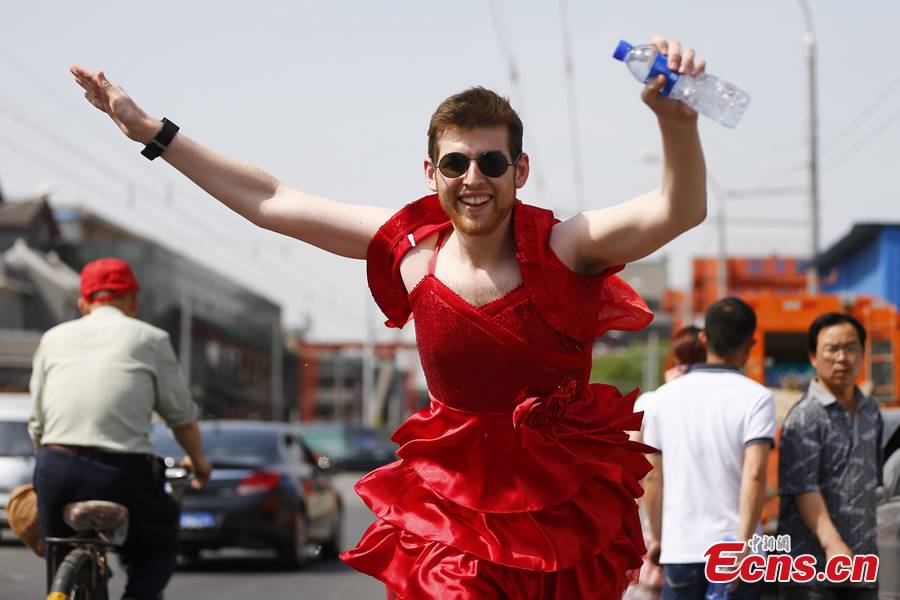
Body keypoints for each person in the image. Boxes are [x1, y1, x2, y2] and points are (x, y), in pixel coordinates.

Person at [71, 35, 708, 599]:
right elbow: (269, 199)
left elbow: (678, 210)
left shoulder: (567, 246)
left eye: (491, 162)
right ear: (433, 173)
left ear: (521, 171)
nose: (473, 178)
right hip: (451, 511)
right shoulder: (410, 248)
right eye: (456, 163)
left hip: (560, 506)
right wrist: (153, 131)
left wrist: (677, 124)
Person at [29, 258, 212, 600]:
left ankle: (60, 587)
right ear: (132, 301)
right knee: (156, 545)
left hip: (57, 466)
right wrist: (200, 463)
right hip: (123, 471)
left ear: (83, 303)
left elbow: (37, 423)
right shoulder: (151, 339)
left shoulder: (52, 338)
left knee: (57, 547)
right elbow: (181, 419)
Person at [642, 298, 775, 600]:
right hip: (738, 552)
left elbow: (651, 478)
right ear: (750, 343)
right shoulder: (757, 398)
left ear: (704, 339)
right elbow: (754, 475)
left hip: (681, 548)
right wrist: (743, 545)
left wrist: (661, 538)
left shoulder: (661, 399)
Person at [777, 313, 882, 599]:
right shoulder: (805, 417)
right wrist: (833, 544)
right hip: (812, 570)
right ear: (813, 357)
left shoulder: (871, 410)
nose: (842, 358)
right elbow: (803, 487)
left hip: (862, 565)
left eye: (850, 348)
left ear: (862, 353)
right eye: (832, 349)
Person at [625, 325, 707, 600]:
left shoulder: (653, 401)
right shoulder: (714, 400)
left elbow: (634, 462)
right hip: (702, 520)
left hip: (655, 515)